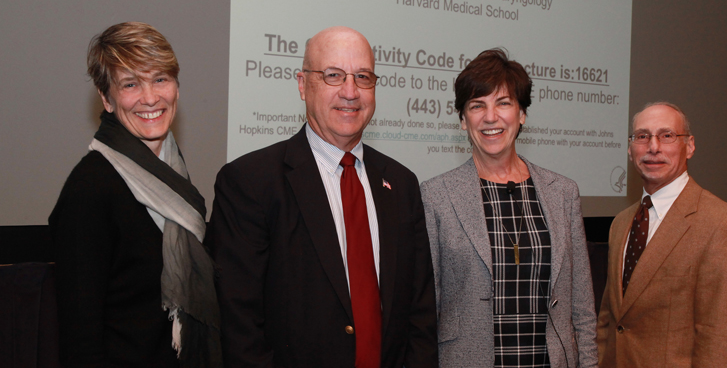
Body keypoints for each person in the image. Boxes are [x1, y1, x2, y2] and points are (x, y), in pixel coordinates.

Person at [206, 26, 437, 368]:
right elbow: (238, 323)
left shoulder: (400, 184)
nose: (350, 91)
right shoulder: (250, 181)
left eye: (363, 77)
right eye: (333, 76)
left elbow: (419, 312)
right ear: (302, 84)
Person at [49, 22, 221, 367]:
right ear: (106, 99)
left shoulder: (170, 171)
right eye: (130, 84)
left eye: (160, 79)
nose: (150, 97)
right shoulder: (89, 190)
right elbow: (80, 339)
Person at [421, 49, 598, 368]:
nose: (491, 117)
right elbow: (424, 310)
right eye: (477, 106)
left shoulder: (563, 193)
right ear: (463, 120)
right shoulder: (436, 195)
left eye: (503, 103)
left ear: (522, 114)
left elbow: (582, 308)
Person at [596, 102, 727, 367]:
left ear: (691, 146)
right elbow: (610, 322)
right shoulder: (621, 223)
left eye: (667, 135)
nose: (653, 147)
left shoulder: (724, 225)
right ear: (630, 150)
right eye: (642, 136)